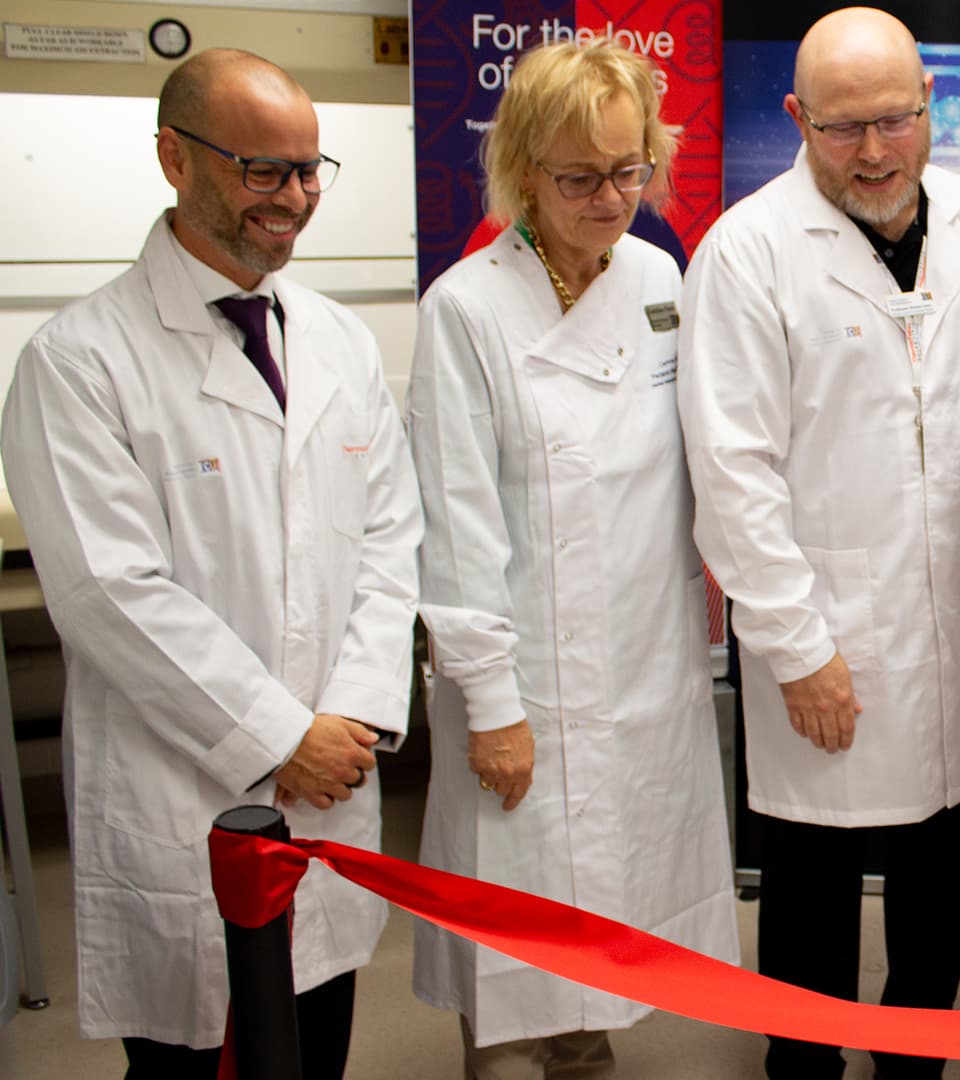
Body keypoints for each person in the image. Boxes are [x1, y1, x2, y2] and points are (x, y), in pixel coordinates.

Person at [0, 48, 419, 1079]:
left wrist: (351, 717)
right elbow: (112, 595)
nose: (294, 199)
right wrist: (280, 737)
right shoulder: (81, 361)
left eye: (311, 169)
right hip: (185, 791)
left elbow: (390, 538)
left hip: (329, 779)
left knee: (315, 1038)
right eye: (261, 170)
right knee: (196, 1053)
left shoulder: (338, 341)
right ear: (172, 160)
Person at [676, 7, 960, 1077]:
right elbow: (730, 471)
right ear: (796, 116)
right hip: (824, 636)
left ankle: (912, 1062)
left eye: (895, 120)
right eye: (843, 129)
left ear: (930, 101)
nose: (874, 152)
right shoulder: (748, 252)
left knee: (943, 884)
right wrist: (796, 645)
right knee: (811, 905)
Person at [405, 41, 740, 1079]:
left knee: (609, 909)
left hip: (642, 653)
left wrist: (718, 566)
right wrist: (493, 704)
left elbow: (690, 448)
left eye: (630, 170)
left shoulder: (655, 276)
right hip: (525, 672)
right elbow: (457, 524)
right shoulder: (466, 308)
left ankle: (584, 1050)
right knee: (519, 921)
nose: (611, 199)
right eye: (579, 177)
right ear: (521, 170)